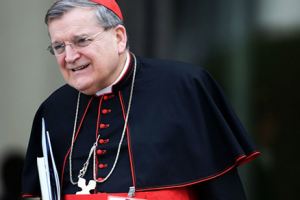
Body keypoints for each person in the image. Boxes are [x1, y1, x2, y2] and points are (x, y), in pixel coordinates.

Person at [22, 0, 260, 199]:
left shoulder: (185, 86)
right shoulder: (52, 110)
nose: (70, 56)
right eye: (59, 47)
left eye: (81, 40)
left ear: (118, 37)